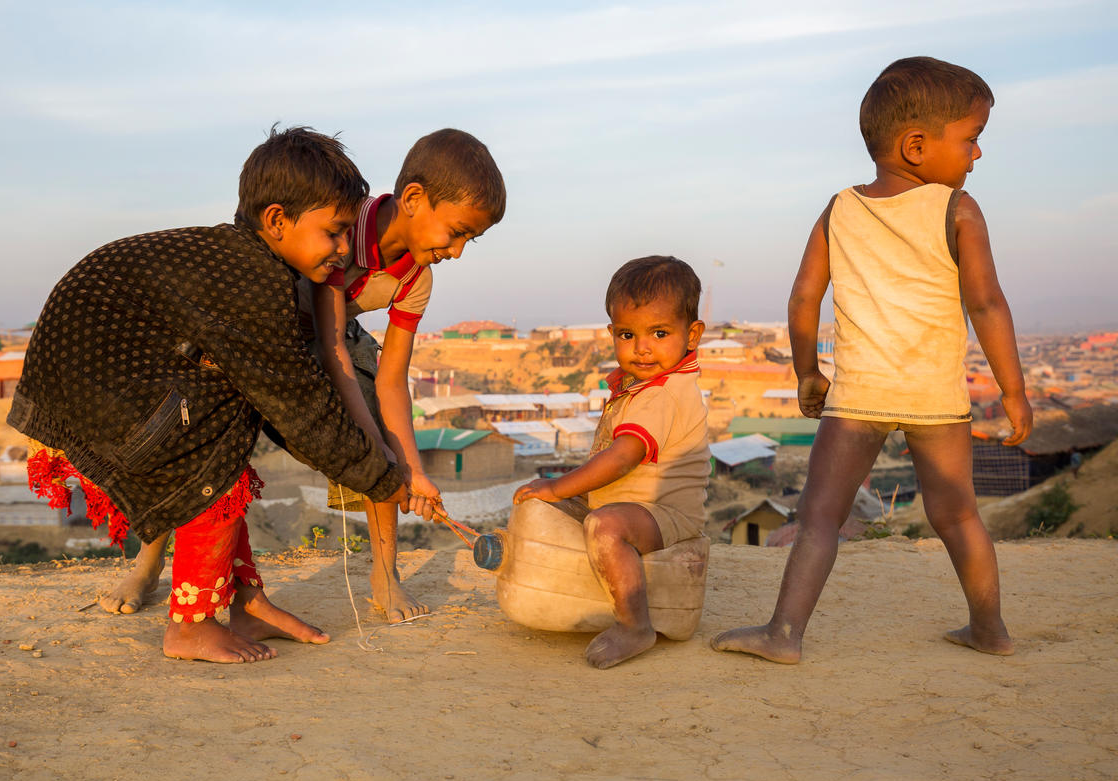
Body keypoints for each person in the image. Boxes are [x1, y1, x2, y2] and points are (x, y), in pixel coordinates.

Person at [10, 126, 408, 663]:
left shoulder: (237, 258)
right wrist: (384, 480)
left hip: (84, 387)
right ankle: (192, 625)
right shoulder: (252, 282)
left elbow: (292, 408)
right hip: (90, 396)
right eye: (335, 232)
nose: (343, 250)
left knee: (229, 412)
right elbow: (300, 411)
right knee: (213, 441)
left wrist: (371, 468)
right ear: (276, 220)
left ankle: (247, 601)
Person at [711, 57, 1033, 665]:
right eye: (971, 138)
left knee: (819, 518)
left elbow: (804, 298)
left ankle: (784, 634)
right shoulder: (957, 210)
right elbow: (987, 303)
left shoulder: (840, 210)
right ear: (917, 146)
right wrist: (1012, 391)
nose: (977, 154)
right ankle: (990, 629)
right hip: (935, 398)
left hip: (858, 398)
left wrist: (808, 372)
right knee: (958, 516)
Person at [305, 129, 506, 623]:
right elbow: (332, 352)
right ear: (413, 199)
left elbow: (392, 380)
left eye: (470, 239)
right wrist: (382, 454)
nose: (457, 251)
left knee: (384, 431)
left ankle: (386, 574)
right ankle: (151, 560)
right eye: (456, 232)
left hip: (338, 335)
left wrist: (412, 471)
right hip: (284, 323)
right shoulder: (342, 228)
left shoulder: (416, 277)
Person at [513, 256, 710, 669]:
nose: (642, 348)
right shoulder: (642, 386)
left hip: (665, 513)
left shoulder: (663, 394)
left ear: (692, 335)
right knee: (546, 506)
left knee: (605, 526)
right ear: (611, 333)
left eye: (659, 333)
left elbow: (621, 458)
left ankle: (634, 625)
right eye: (627, 334)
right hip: (630, 503)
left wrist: (557, 486)